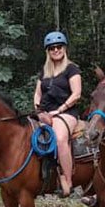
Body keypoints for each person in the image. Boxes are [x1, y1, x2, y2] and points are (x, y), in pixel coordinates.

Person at [34, 31, 82, 197]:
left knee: (60, 138)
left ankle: (68, 181)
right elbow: (38, 94)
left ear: (64, 48)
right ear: (48, 51)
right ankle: (40, 176)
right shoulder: (44, 71)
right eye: (52, 48)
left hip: (67, 111)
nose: (56, 50)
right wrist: (38, 110)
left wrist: (59, 110)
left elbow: (76, 94)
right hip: (46, 111)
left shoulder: (71, 68)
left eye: (59, 47)